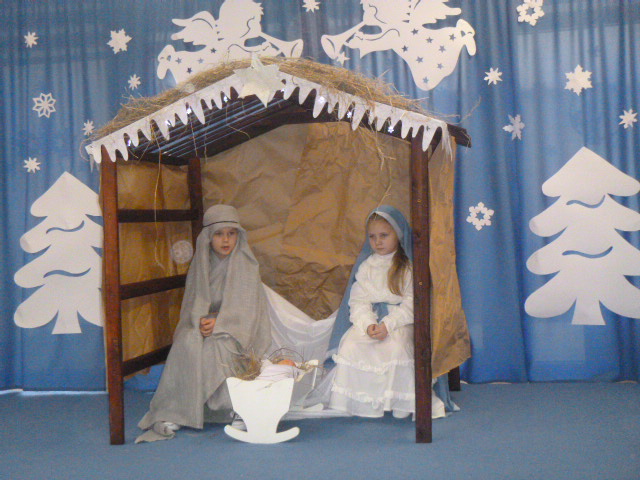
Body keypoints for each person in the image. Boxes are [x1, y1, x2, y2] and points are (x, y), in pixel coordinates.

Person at [136, 204, 271, 442]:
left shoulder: (246, 265)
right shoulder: (201, 265)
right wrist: (199, 323)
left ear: (238, 235)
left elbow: (249, 311)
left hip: (239, 331)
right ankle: (177, 410)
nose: (226, 240)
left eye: (231, 233)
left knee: (219, 346)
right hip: (206, 325)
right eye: (219, 234)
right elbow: (193, 303)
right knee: (187, 343)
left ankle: (236, 408)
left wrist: (220, 321)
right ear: (208, 237)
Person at [328, 205, 446, 419]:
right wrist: (368, 324)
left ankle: (398, 401)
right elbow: (358, 301)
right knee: (351, 345)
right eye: (372, 237)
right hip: (372, 319)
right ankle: (364, 402)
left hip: (399, 322)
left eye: (384, 235)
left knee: (396, 348)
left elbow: (412, 303)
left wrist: (388, 324)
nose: (378, 242)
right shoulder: (366, 267)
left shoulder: (409, 267)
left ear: (398, 235)